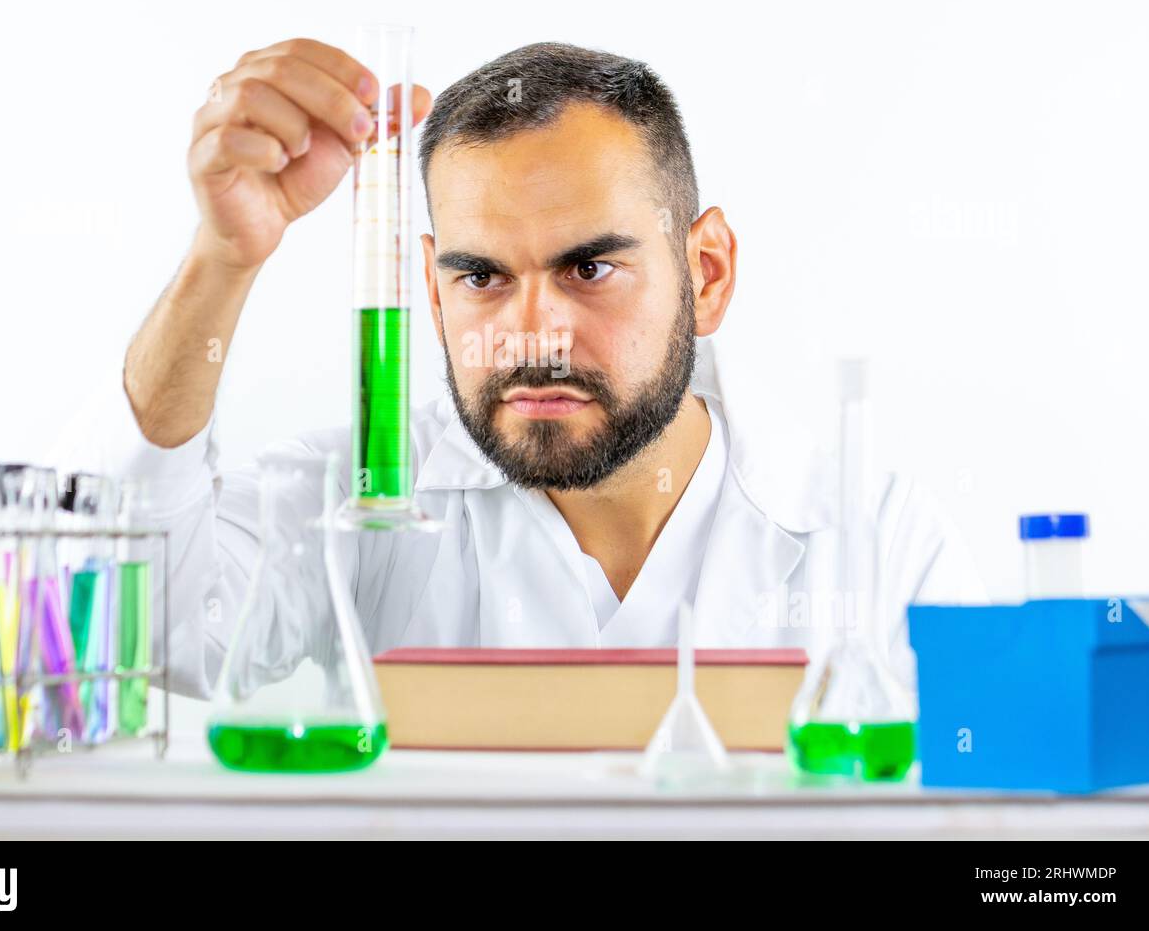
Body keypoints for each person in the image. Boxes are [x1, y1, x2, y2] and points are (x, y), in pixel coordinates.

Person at [60, 37, 987, 699]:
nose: (533, 332)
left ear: (706, 272)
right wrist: (222, 257)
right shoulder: (370, 498)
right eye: (483, 276)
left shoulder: (886, 548)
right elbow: (130, 626)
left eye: (589, 269)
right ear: (429, 289)